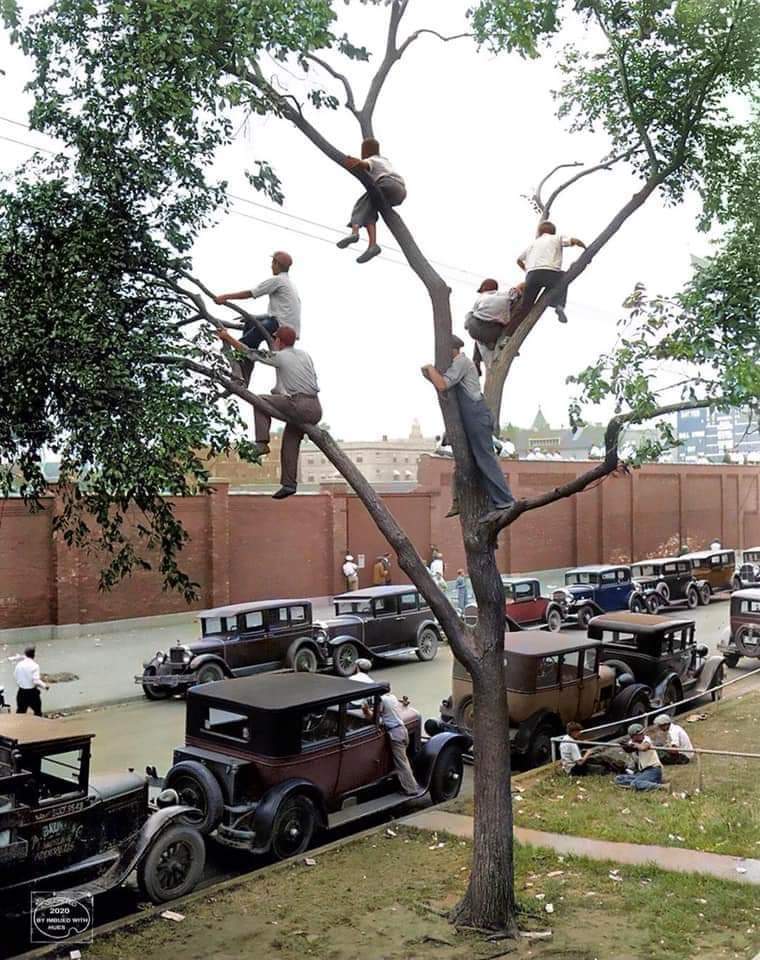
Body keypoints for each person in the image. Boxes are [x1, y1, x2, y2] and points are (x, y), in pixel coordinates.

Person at [216, 324, 321, 500]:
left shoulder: (280, 357)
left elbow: (250, 353)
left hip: (299, 405)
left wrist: (227, 338)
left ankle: (261, 442)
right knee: (290, 442)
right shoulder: (305, 355)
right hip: (316, 408)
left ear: (278, 340)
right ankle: (289, 485)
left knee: (260, 400)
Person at [422, 337, 516, 518]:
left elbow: (442, 384)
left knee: (485, 459)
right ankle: (460, 501)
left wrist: (430, 369)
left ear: (452, 350)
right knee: (464, 462)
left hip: (477, 417)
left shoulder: (461, 363)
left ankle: (505, 501)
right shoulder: (458, 365)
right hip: (470, 419)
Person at [214, 251, 301, 384]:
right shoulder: (289, 284)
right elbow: (279, 312)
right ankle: (247, 362)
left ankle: (243, 362)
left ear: (276, 264)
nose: (271, 266)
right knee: (250, 322)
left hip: (280, 327)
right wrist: (254, 317)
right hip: (287, 326)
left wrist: (225, 297)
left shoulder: (277, 280)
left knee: (247, 341)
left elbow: (251, 293)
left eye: (273, 263)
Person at [336, 138, 406, 264]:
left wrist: (353, 161)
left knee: (361, 203)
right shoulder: (385, 160)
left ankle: (355, 232)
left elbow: (365, 165)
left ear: (367, 150)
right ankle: (372, 245)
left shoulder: (373, 159)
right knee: (370, 207)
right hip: (398, 192)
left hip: (388, 184)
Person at [517, 221, 586, 324]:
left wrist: (527, 270)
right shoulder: (557, 238)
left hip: (532, 276)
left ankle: (510, 334)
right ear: (553, 231)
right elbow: (572, 240)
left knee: (525, 307)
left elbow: (519, 260)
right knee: (563, 278)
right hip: (550, 273)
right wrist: (584, 247)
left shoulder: (533, 244)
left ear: (539, 232)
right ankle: (559, 305)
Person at [362, 686, 420, 796]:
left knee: (401, 763)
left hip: (395, 733)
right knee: (403, 760)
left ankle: (411, 789)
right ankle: (404, 783)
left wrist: (365, 710)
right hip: (403, 731)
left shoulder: (382, 701)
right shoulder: (392, 697)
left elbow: (374, 717)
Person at [465, 279, 525, 372]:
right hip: (494, 331)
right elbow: (519, 287)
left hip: (475, 329)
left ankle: (476, 359)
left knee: (470, 315)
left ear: (484, 288)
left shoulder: (481, 297)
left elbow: (474, 313)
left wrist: (467, 324)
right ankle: (488, 343)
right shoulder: (507, 295)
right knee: (488, 328)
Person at [615, 723, 664, 791]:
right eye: (640, 734)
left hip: (653, 770)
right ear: (633, 736)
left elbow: (644, 748)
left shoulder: (646, 739)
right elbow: (629, 750)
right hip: (642, 772)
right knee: (619, 779)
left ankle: (661, 787)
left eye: (642, 733)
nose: (642, 735)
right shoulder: (631, 742)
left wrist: (634, 745)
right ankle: (645, 784)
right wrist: (625, 746)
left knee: (635, 783)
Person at [14, 646, 49, 716]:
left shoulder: (19, 665)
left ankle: (20, 726)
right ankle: (37, 726)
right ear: (34, 655)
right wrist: (45, 686)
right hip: (32, 693)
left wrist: (21, 683)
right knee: (37, 712)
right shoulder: (35, 666)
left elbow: (15, 676)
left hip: (21, 692)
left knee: (20, 712)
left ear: (25, 654)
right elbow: (36, 681)